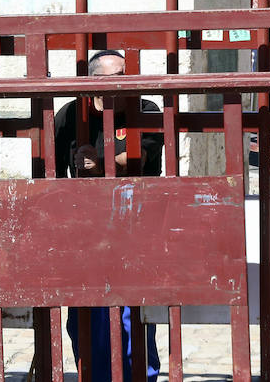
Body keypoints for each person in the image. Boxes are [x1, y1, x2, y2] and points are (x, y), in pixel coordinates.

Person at [55, 51, 162, 382]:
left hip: (135, 223)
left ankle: (139, 376)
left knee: (133, 312)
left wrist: (99, 165)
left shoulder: (144, 109)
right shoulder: (71, 114)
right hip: (85, 228)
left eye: (127, 73)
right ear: (94, 83)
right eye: (117, 74)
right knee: (85, 315)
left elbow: (139, 156)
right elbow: (51, 170)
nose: (125, 80)